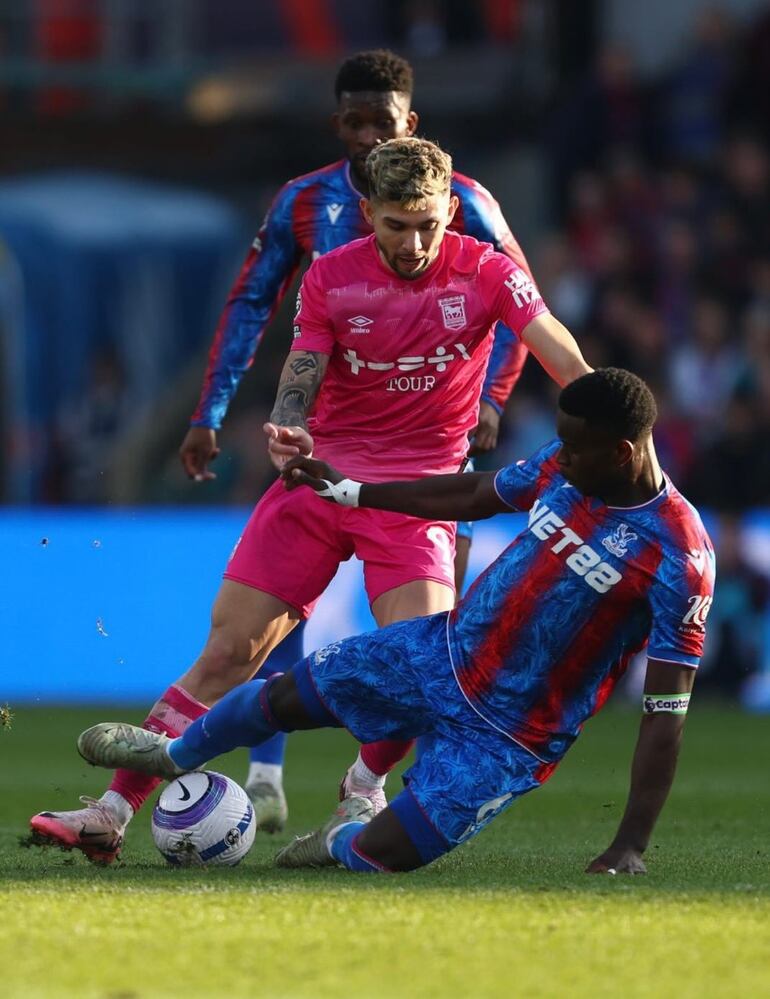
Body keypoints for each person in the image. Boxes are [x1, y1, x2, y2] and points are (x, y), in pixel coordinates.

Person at [29, 135, 590, 865]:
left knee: (417, 671)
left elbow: (554, 346)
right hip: (320, 479)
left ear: (450, 211)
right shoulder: (331, 275)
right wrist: (288, 424)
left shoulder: (487, 270)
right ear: (368, 212)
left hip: (417, 495)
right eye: (396, 225)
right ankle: (108, 814)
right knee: (228, 653)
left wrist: (607, 412)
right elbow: (302, 368)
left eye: (427, 224)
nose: (414, 243)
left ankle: (361, 792)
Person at [78, 368, 715, 874]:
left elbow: (666, 715)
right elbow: (473, 493)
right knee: (285, 696)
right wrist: (354, 492)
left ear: (623, 452)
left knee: (380, 856)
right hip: (441, 653)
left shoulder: (679, 557)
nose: (561, 457)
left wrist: (630, 844)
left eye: (575, 448)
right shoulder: (565, 467)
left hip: (509, 735)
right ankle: (174, 755)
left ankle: (338, 838)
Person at [179, 49, 537, 830]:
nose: (371, 135)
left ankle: (367, 778)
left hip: (432, 443)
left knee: (430, 639)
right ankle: (266, 770)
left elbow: (522, 302)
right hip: (325, 432)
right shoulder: (304, 202)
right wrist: (213, 410)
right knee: (274, 609)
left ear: (412, 122)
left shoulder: (465, 202)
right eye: (356, 122)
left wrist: (493, 397)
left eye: (386, 122)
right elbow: (252, 302)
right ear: (337, 124)